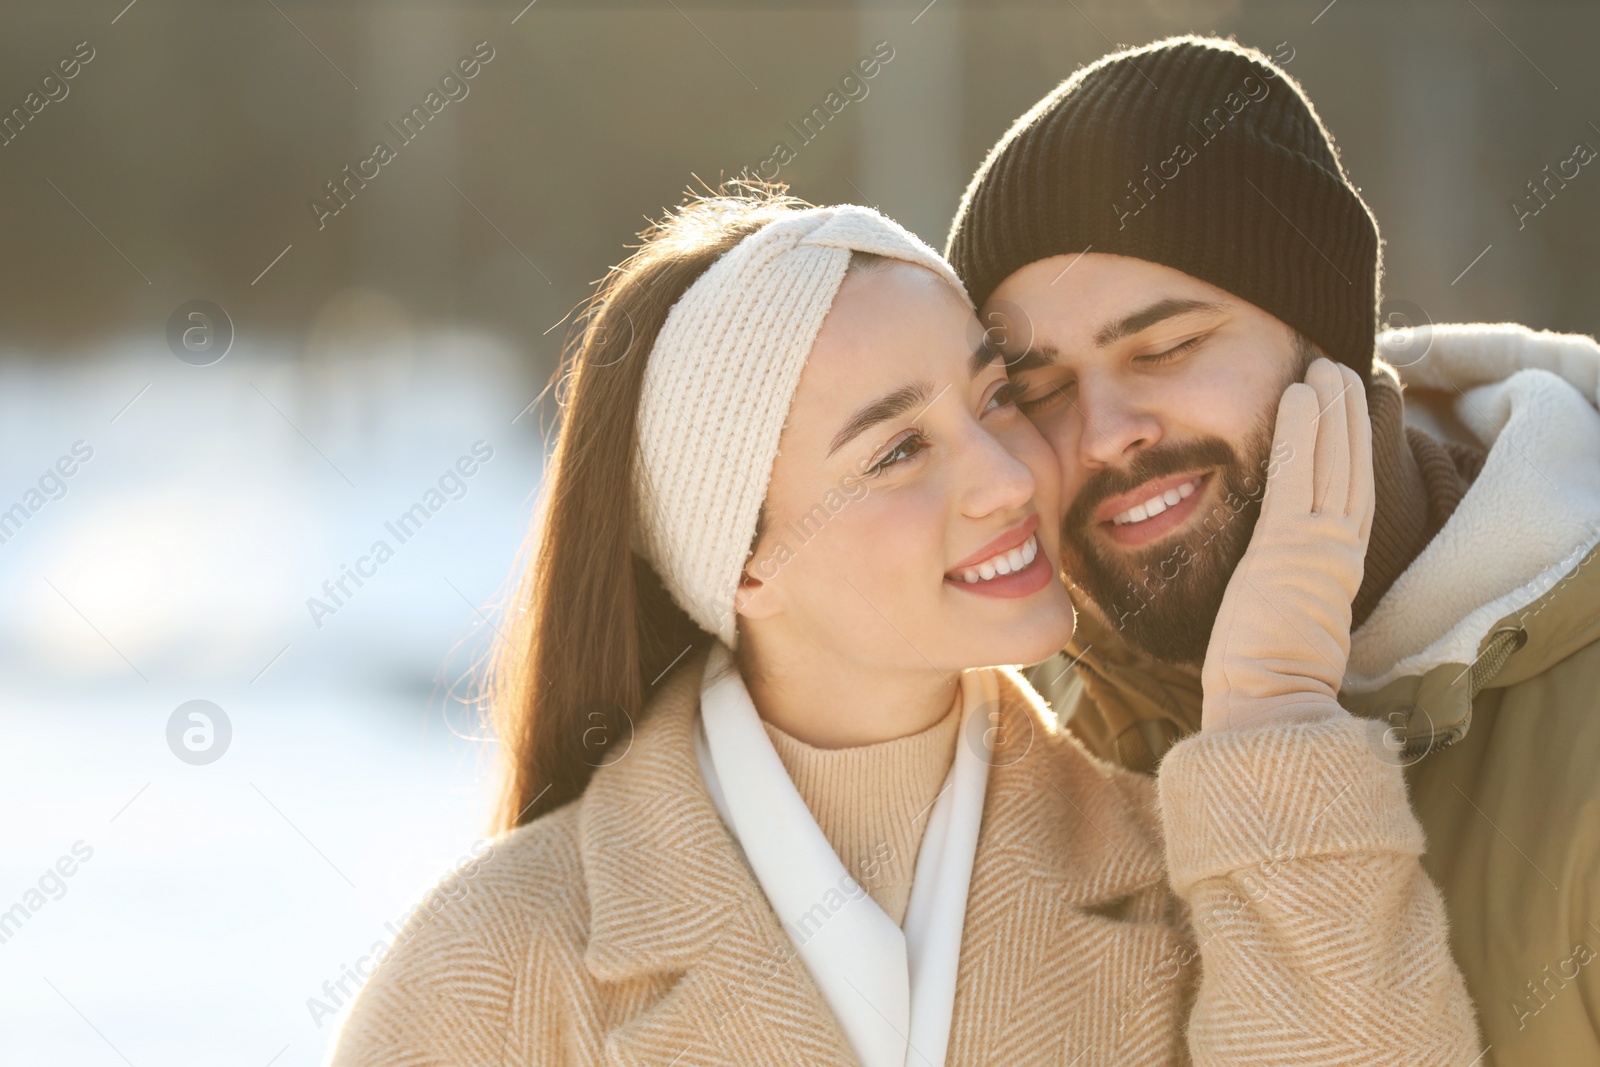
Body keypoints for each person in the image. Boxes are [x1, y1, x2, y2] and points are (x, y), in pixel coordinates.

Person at [327, 188, 1476, 1065]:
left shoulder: (1195, 878)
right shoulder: (494, 969)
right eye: (895, 450)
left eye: (992, 398)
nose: (1005, 476)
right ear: (744, 565)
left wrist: (1274, 703)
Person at [947, 34, 1600, 1067]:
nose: (1103, 428)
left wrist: (1279, 737)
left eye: (1165, 347)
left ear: (1329, 342)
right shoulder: (1026, 755)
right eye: (1036, 390)